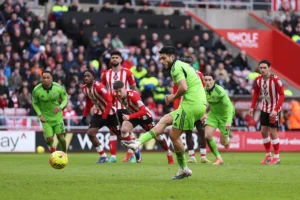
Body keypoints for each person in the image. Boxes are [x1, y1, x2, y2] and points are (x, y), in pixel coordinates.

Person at [122, 46, 207, 179]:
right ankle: (137, 142)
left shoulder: (176, 68)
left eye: (163, 58)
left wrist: (173, 96)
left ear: (172, 57)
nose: (161, 61)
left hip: (191, 104)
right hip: (197, 104)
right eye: (160, 58)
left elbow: (183, 87)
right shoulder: (183, 65)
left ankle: (184, 168)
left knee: (174, 135)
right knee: (164, 120)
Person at [82, 70, 141, 163]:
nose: (86, 78)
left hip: (110, 114)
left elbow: (109, 101)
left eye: (88, 76)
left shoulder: (99, 86)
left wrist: (105, 115)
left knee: (120, 136)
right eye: (84, 76)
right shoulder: (84, 88)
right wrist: (84, 115)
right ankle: (103, 156)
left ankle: (135, 149)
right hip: (98, 114)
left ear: (93, 77)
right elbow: (88, 102)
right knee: (90, 133)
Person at [113, 80, 174, 164]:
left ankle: (169, 154)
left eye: (120, 91)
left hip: (145, 117)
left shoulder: (133, 95)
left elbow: (143, 111)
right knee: (124, 129)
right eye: (116, 92)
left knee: (158, 137)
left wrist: (129, 116)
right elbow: (109, 98)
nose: (118, 93)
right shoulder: (116, 96)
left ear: (124, 88)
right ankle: (132, 152)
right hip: (134, 116)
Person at [102, 51, 138, 162]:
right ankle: (113, 156)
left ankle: (131, 154)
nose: (114, 59)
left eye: (117, 57)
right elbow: (103, 89)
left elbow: (133, 87)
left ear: (121, 60)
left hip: (126, 105)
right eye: (112, 57)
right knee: (112, 130)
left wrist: (134, 103)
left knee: (127, 130)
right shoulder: (106, 74)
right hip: (112, 107)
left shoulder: (127, 72)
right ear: (110, 60)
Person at [248, 60, 284, 165]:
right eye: (261, 68)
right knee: (263, 131)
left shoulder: (276, 80)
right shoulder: (258, 80)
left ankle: (277, 157)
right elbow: (256, 93)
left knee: (273, 132)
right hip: (264, 108)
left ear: (269, 68)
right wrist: (252, 107)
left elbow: (282, 95)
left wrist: (276, 109)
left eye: (265, 68)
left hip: (274, 109)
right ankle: (268, 155)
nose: (262, 70)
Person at [174, 56, 209, 164]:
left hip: (198, 105)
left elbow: (204, 91)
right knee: (188, 131)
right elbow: (176, 93)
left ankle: (203, 156)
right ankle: (192, 156)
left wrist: (205, 109)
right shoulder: (178, 75)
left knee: (201, 131)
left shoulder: (199, 75)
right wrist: (177, 109)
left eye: (189, 64)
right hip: (185, 106)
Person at [202, 73, 235, 165]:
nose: (208, 82)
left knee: (223, 142)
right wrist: (204, 113)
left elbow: (229, 107)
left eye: (210, 80)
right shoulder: (203, 90)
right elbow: (202, 103)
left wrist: (228, 121)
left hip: (225, 115)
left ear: (214, 81)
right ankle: (218, 158)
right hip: (213, 115)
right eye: (206, 80)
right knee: (207, 136)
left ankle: (227, 140)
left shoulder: (220, 91)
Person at [32, 71, 68, 153]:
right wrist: (39, 114)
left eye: (48, 78)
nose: (45, 80)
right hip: (45, 118)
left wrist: (60, 107)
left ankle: (64, 155)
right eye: (44, 78)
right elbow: (34, 103)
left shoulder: (58, 88)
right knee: (49, 139)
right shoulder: (36, 90)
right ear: (41, 79)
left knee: (61, 138)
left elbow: (65, 98)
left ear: (51, 79)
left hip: (57, 118)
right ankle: (53, 151)